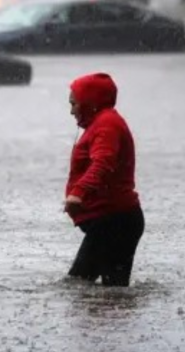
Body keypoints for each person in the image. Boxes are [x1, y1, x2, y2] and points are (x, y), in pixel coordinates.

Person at [63, 72, 145, 287]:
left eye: (74, 104)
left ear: (89, 102)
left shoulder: (107, 125)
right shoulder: (102, 122)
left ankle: (110, 321)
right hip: (117, 219)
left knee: (77, 286)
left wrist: (77, 193)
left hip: (114, 220)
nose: (71, 110)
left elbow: (103, 163)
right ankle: (121, 321)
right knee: (113, 291)